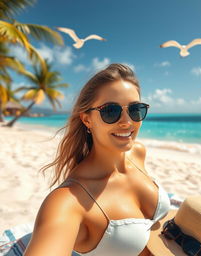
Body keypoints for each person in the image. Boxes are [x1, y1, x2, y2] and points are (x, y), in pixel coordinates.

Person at [24, 63, 171, 256]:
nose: (127, 121)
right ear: (87, 120)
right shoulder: (68, 201)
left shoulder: (137, 153)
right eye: (110, 111)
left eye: (135, 109)